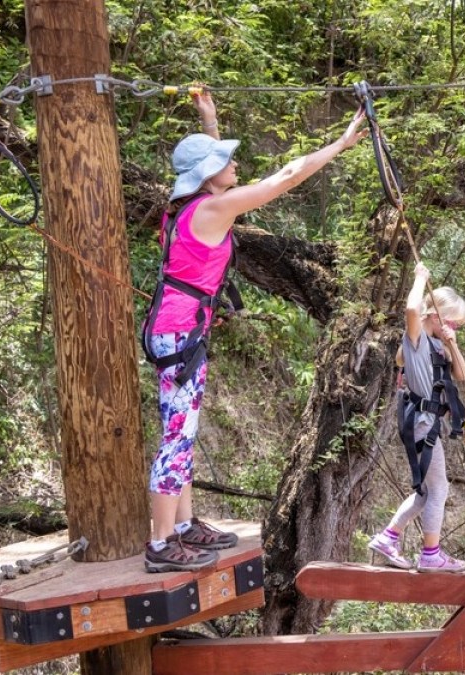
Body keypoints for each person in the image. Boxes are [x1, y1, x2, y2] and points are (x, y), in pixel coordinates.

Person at [140, 90, 368, 573]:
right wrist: (341, 144)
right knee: (176, 438)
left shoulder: (193, 206)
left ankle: (181, 526)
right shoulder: (210, 211)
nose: (235, 165)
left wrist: (211, 120)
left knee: (183, 433)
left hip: (179, 331)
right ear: (207, 175)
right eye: (226, 161)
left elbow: (217, 175)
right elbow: (286, 177)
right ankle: (160, 542)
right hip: (180, 333)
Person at [367, 261, 465, 573]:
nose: (456, 328)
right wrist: (419, 279)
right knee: (438, 489)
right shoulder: (416, 340)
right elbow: (412, 310)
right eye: (453, 322)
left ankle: (388, 538)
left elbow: (462, 375)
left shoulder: (439, 344)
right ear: (437, 315)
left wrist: (453, 343)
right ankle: (430, 554)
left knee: (426, 491)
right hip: (421, 423)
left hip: (428, 424)